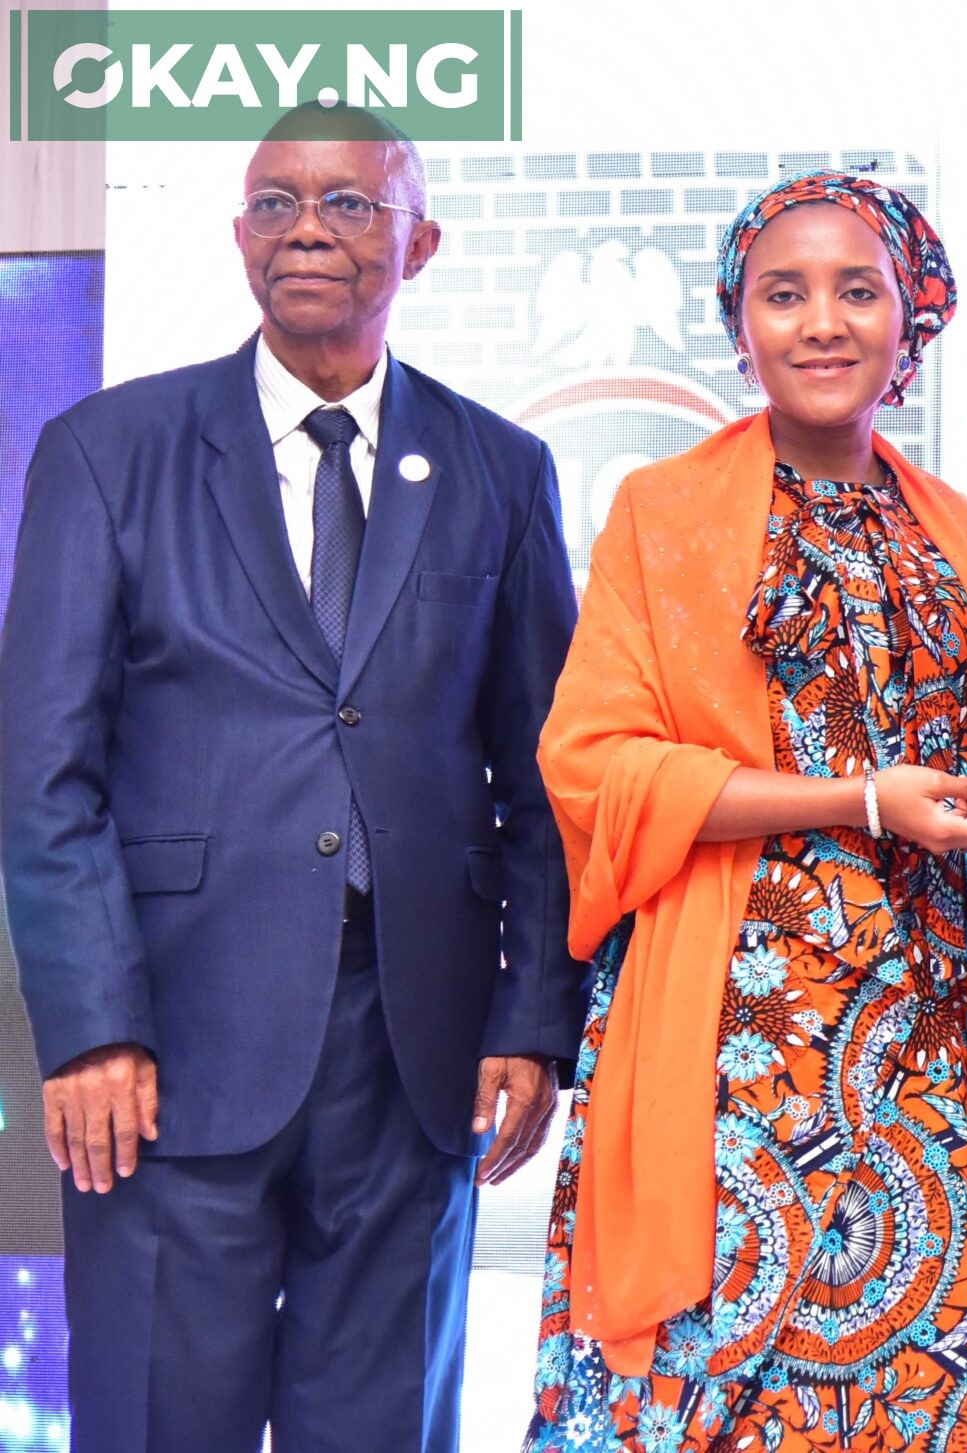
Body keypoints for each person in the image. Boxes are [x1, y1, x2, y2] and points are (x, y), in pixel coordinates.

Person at [0, 102, 580, 1452]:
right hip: (164, 1049)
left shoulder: (501, 466)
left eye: (349, 203)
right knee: (159, 1423)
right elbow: (46, 775)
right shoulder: (106, 452)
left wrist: (532, 1015)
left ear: (420, 243)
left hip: (412, 1050)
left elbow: (545, 774)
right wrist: (89, 1025)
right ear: (238, 235)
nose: (307, 228)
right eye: (276, 202)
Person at [523, 170, 967, 1453]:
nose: (820, 323)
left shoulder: (966, 533)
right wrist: (860, 798)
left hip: (934, 1043)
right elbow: (595, 764)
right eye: (785, 294)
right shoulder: (661, 515)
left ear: (910, 319)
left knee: (932, 1377)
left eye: (855, 291)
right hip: (732, 1044)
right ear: (739, 323)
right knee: (723, 1376)